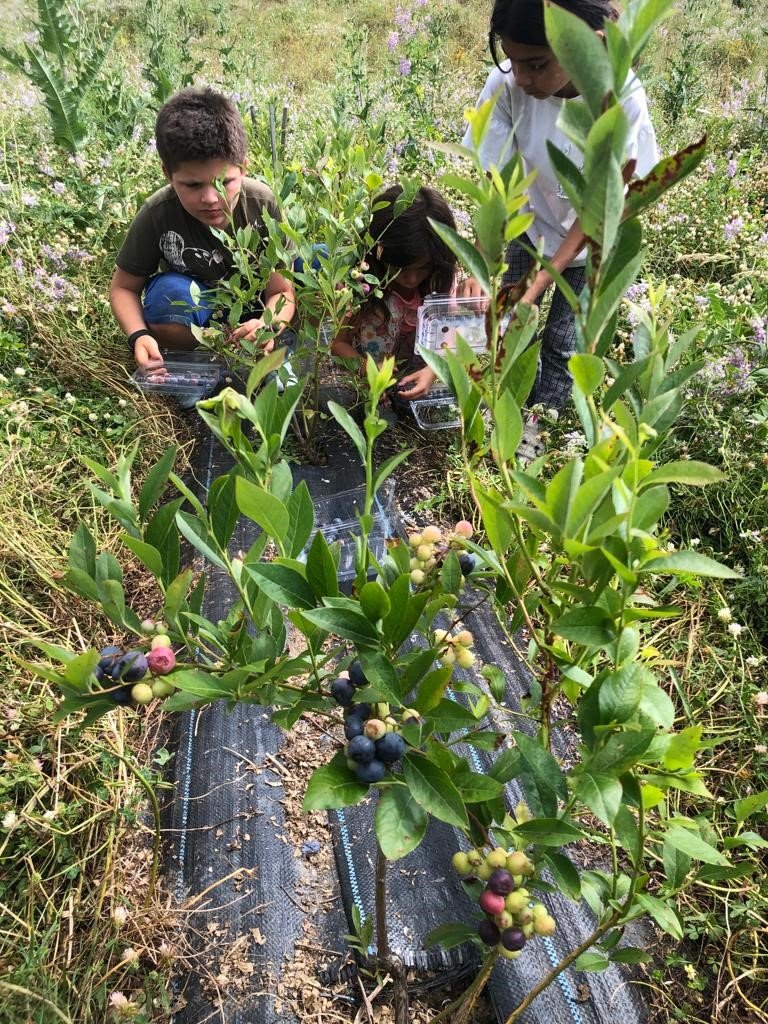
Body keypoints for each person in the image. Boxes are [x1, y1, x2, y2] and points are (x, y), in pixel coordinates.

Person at [462, 0, 659, 455]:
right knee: (502, 322)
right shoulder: (508, 85)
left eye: (537, 64)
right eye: (513, 60)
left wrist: (538, 285)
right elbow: (495, 184)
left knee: (561, 344)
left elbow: (598, 212)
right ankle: (496, 416)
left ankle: (535, 432)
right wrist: (479, 261)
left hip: (593, 239)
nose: (523, 78)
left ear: (585, 46)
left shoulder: (620, 99)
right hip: (528, 222)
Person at [109, 87, 295, 371]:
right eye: (193, 185)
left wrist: (268, 325)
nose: (210, 198)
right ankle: (200, 366)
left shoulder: (262, 203)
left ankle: (275, 352)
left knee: (316, 262)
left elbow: (282, 292)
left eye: (226, 182)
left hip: (255, 315)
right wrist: (139, 334)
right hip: (196, 321)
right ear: (168, 175)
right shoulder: (158, 212)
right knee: (166, 294)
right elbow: (123, 287)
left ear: (243, 169)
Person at [330, 184, 457, 402]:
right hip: (367, 384)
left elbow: (450, 337)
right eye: (401, 268)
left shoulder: (438, 282)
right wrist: (368, 371)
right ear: (379, 252)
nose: (412, 278)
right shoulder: (361, 284)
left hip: (416, 383)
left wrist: (435, 369)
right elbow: (339, 344)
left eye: (423, 268)